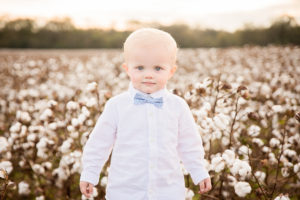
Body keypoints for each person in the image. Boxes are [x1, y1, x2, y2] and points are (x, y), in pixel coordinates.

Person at [79, 27, 211, 199]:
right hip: (125, 191)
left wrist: (199, 171)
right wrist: (90, 173)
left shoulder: (178, 106)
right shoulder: (117, 106)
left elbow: (189, 144)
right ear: (127, 69)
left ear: (171, 71)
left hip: (168, 191)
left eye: (158, 68)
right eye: (140, 68)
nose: (148, 75)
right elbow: (99, 143)